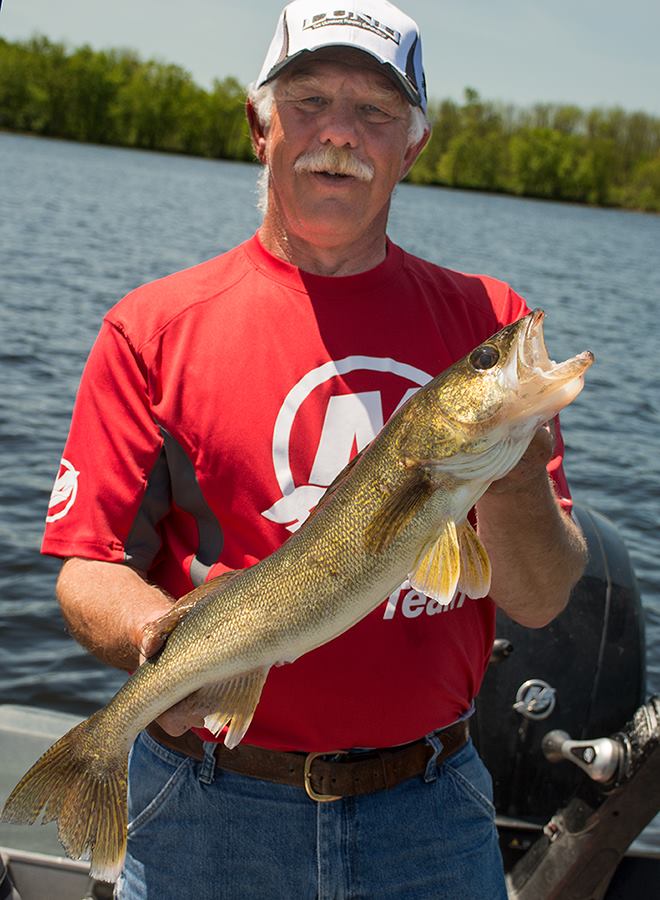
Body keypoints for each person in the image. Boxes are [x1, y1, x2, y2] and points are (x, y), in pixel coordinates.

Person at [42, 1, 587, 897]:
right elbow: (85, 566)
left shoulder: (485, 321)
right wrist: (159, 640)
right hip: (205, 810)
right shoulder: (152, 330)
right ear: (259, 126)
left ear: (410, 149)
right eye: (308, 101)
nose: (339, 135)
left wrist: (516, 468)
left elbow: (536, 598)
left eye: (375, 111)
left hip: (432, 811)